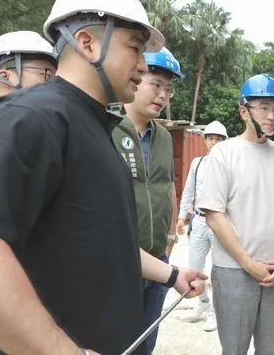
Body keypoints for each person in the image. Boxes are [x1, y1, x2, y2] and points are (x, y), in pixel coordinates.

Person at [0, 0, 205, 355]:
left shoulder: (92, 128)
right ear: (87, 43)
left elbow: (105, 243)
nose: (142, 66)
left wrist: (172, 274)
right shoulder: (34, 117)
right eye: (134, 48)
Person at [197, 73, 274, 354]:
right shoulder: (224, 153)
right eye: (263, 107)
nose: (271, 115)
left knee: (272, 348)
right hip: (234, 270)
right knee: (234, 349)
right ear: (244, 111)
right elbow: (214, 215)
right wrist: (248, 262)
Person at [111, 47, 184, 353]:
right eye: (155, 84)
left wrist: (169, 238)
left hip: (159, 259)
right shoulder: (107, 128)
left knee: (146, 344)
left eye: (167, 89)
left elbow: (168, 188)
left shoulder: (164, 137)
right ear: (137, 77)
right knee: (114, 342)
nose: (162, 95)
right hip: (117, 263)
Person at [177, 120, 229, 332]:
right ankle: (203, 304)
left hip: (220, 222)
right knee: (195, 267)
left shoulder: (229, 165)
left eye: (218, 139)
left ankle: (217, 313)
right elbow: (189, 190)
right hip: (198, 220)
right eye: (210, 138)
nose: (214, 142)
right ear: (205, 140)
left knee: (219, 268)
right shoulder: (197, 163)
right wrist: (181, 217)